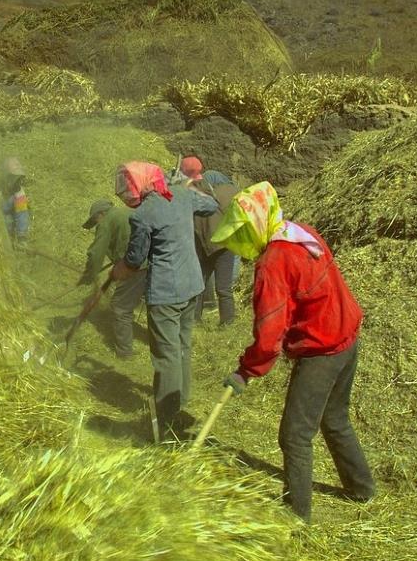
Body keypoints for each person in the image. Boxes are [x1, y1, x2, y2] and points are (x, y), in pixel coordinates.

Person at [214, 182, 374, 523]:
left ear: (255, 226)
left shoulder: (273, 262)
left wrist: (246, 370)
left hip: (323, 349)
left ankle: (295, 518)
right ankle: (362, 488)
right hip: (347, 335)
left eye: (242, 233)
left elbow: (270, 332)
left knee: (294, 436)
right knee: (335, 418)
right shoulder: (299, 232)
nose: (240, 244)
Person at [112, 161, 217, 437]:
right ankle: (180, 401)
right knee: (182, 346)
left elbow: (135, 259)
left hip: (166, 293)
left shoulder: (143, 215)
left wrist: (119, 268)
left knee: (166, 355)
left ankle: (168, 420)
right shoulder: (181, 195)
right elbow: (210, 206)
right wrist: (186, 189)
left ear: (141, 184)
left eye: (128, 186)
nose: (126, 192)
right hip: (192, 284)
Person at [78, 198, 146, 358]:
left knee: (120, 306)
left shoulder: (107, 220)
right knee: (155, 304)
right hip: (152, 261)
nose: (96, 224)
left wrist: (89, 274)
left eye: (95, 220)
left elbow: (96, 253)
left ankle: (124, 353)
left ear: (100, 214)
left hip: (136, 265)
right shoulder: (127, 212)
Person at [192, 167, 241, 325]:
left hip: (203, 243)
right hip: (225, 246)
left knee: (199, 284)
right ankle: (227, 321)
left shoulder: (196, 195)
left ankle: (195, 319)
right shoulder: (232, 193)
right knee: (224, 288)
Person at [0, 157, 30, 244]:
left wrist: (22, 235)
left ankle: (20, 238)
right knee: (6, 220)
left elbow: (22, 213)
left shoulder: (18, 191)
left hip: (11, 219)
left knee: (11, 218)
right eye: (15, 164)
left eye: (18, 163)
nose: (18, 165)